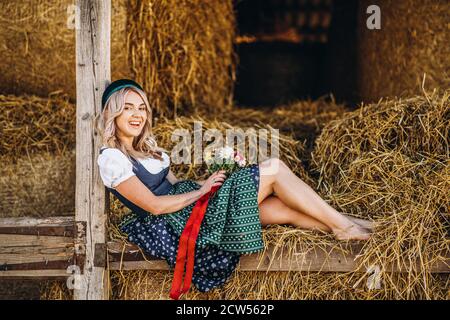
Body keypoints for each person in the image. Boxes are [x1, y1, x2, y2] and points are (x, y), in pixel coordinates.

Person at [96, 79, 372, 293]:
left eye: (141, 107)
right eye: (128, 108)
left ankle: (350, 228)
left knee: (281, 209)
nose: (137, 114)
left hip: (185, 206)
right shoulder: (112, 159)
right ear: (113, 113)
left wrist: (208, 181)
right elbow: (154, 205)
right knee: (274, 168)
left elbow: (174, 184)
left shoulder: (147, 148)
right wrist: (202, 193)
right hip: (176, 222)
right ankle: (345, 226)